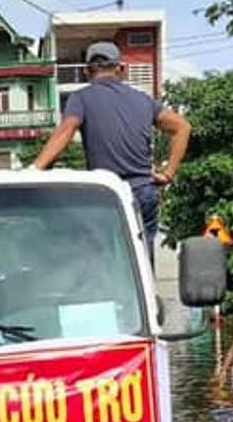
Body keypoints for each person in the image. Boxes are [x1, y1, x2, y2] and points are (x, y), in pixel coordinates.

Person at [32, 41, 191, 262]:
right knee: (141, 261)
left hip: (106, 192)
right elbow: (182, 127)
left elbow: (66, 130)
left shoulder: (81, 98)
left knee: (107, 262)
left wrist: (35, 169)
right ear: (121, 69)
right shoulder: (144, 100)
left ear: (88, 71)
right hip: (143, 190)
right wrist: (168, 172)